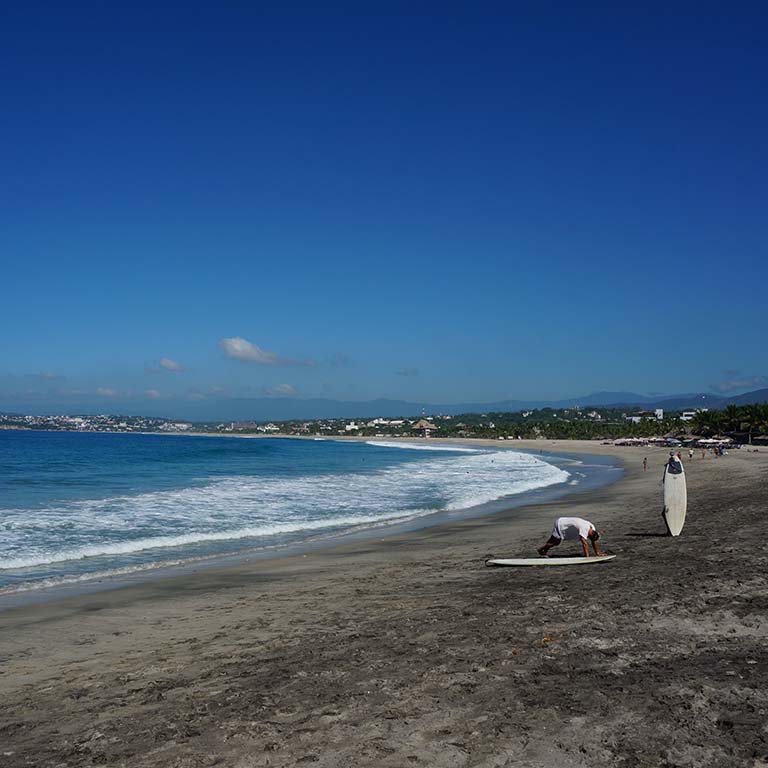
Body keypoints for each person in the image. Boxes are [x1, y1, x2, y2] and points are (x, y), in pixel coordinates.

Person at [537, 517, 602, 558]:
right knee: (556, 542)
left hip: (563, 521)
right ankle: (540, 549)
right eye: (589, 537)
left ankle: (543, 552)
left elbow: (594, 541)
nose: (588, 538)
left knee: (553, 541)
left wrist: (597, 553)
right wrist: (587, 557)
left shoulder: (592, 527)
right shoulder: (584, 529)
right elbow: (585, 544)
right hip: (560, 524)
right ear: (590, 535)